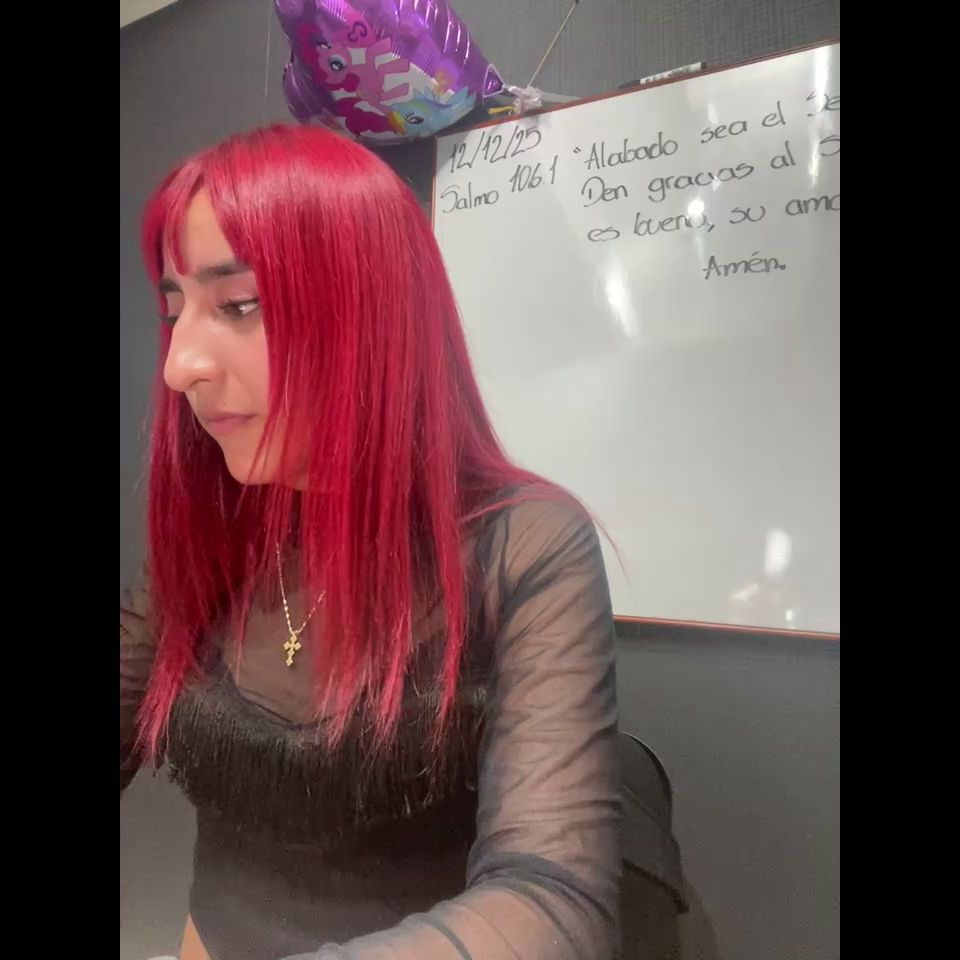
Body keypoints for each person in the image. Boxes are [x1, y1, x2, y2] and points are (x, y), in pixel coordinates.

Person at [120, 124, 620, 960]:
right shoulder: (217, 531)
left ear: (369, 316)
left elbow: (554, 900)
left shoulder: (526, 545)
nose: (180, 366)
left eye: (238, 306)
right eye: (175, 313)